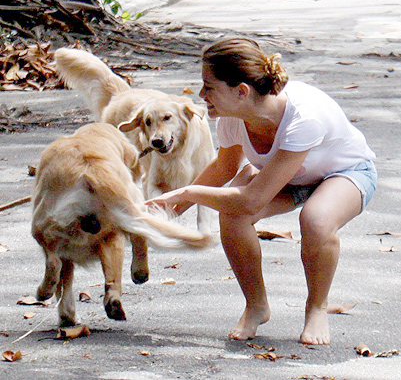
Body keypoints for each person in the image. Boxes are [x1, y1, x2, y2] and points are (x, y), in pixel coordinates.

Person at [145, 37, 377, 345]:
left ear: (241, 91)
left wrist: (185, 193)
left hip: (344, 173)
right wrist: (169, 211)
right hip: (288, 177)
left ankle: (316, 308)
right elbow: (224, 168)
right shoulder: (231, 118)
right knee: (232, 214)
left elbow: (253, 199)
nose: (201, 95)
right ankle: (256, 306)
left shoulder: (302, 118)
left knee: (316, 219)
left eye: (209, 86)